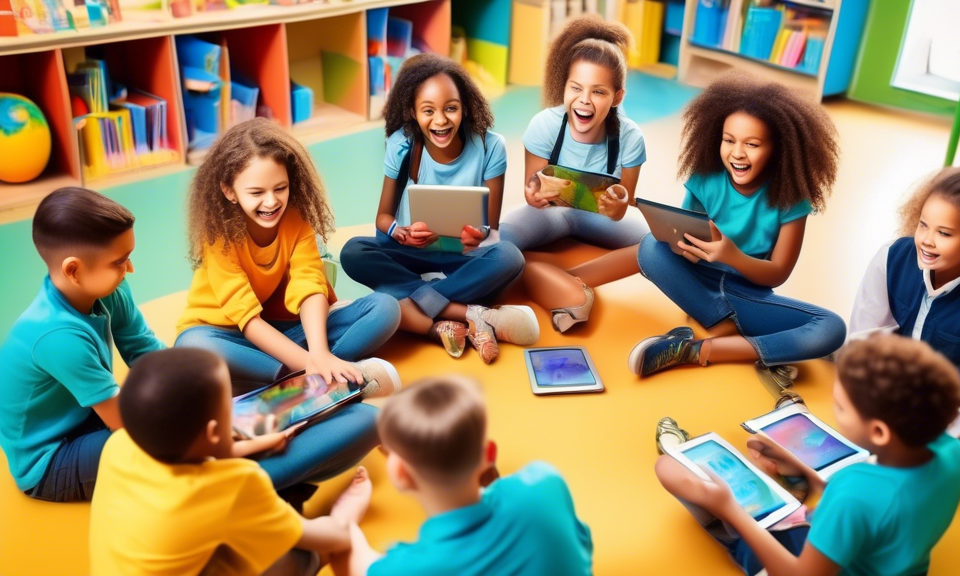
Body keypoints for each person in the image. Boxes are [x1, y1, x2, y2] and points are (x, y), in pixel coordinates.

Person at [174, 118, 399, 493]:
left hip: (277, 334)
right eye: (256, 192)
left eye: (280, 188)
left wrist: (321, 353)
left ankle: (310, 381)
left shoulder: (295, 221)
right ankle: (319, 381)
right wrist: (311, 362)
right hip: (226, 338)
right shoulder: (219, 237)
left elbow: (310, 284)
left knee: (384, 309)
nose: (271, 201)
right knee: (192, 348)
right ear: (229, 190)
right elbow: (245, 318)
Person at [654, 335, 960, 576]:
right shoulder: (953, 452)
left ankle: (720, 510)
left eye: (842, 408)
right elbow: (884, 505)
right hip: (887, 560)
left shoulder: (853, 492)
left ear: (880, 432)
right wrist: (811, 476)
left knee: (667, 466)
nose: (836, 412)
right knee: (768, 463)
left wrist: (730, 510)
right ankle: (791, 484)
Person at [629, 73, 846, 376]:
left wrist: (732, 256)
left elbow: (777, 275)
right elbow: (681, 237)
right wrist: (683, 248)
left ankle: (696, 349)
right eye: (728, 140)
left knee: (832, 329)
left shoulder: (790, 201)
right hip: (700, 283)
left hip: (747, 295)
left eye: (752, 144)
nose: (737, 152)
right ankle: (741, 335)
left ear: (778, 149)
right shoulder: (704, 181)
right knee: (650, 248)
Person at [90, 347, 376, 576]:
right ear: (214, 431)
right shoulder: (233, 485)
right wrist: (344, 526)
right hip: (242, 526)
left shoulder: (118, 444)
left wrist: (257, 443)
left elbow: (206, 456)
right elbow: (313, 536)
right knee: (294, 557)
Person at [340, 54, 538, 364]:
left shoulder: (490, 147)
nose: (441, 120)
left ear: (465, 107)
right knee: (353, 251)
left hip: (464, 257)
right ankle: (471, 311)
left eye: (451, 109)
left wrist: (480, 237)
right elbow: (383, 218)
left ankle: (417, 300)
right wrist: (399, 232)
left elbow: (492, 231)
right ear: (413, 113)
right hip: (414, 252)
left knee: (510, 256)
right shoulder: (402, 144)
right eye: (428, 111)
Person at [850, 167, 960, 475]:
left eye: (944, 233)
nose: (927, 241)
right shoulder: (891, 256)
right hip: (889, 388)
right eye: (923, 225)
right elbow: (863, 340)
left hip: (949, 404)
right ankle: (902, 439)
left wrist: (933, 427)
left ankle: (900, 439)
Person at [0, 187, 164, 502]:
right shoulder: (58, 337)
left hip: (81, 414)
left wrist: (192, 390)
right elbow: (122, 425)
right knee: (166, 448)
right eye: (119, 261)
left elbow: (145, 349)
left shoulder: (111, 290)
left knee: (172, 412)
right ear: (74, 271)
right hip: (49, 459)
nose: (129, 269)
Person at [339, 376, 594, 576]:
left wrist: (346, 522)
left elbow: (355, 562)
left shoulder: (402, 569)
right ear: (489, 454)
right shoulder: (545, 483)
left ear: (400, 472)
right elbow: (583, 547)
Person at [500, 14, 649, 333]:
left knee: (658, 246)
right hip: (553, 214)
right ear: (564, 86)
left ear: (617, 97)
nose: (584, 100)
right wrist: (533, 193)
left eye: (598, 92)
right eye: (576, 88)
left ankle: (569, 281)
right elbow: (532, 184)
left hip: (599, 219)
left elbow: (626, 200)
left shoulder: (630, 137)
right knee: (498, 241)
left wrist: (619, 205)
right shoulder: (545, 124)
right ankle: (545, 280)